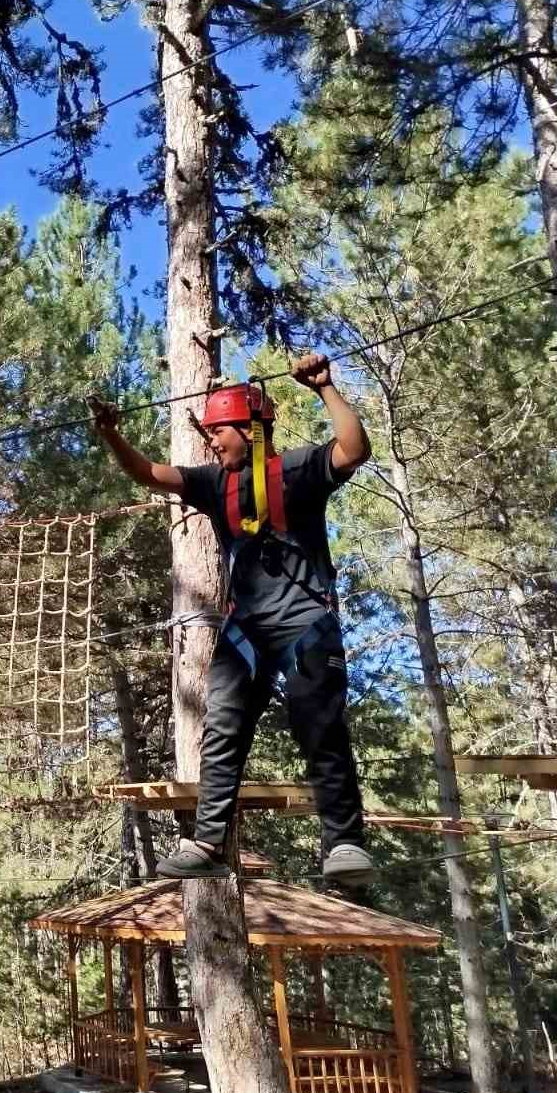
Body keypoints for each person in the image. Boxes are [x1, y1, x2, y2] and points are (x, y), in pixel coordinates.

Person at [88, 353, 375, 886]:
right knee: (222, 729)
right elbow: (149, 473)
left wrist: (325, 389)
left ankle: (344, 842)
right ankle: (208, 841)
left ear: (252, 430)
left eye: (220, 432)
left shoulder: (296, 470)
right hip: (246, 631)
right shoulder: (210, 484)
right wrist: (112, 436)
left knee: (320, 726)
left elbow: (353, 449)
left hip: (304, 621)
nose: (212, 443)